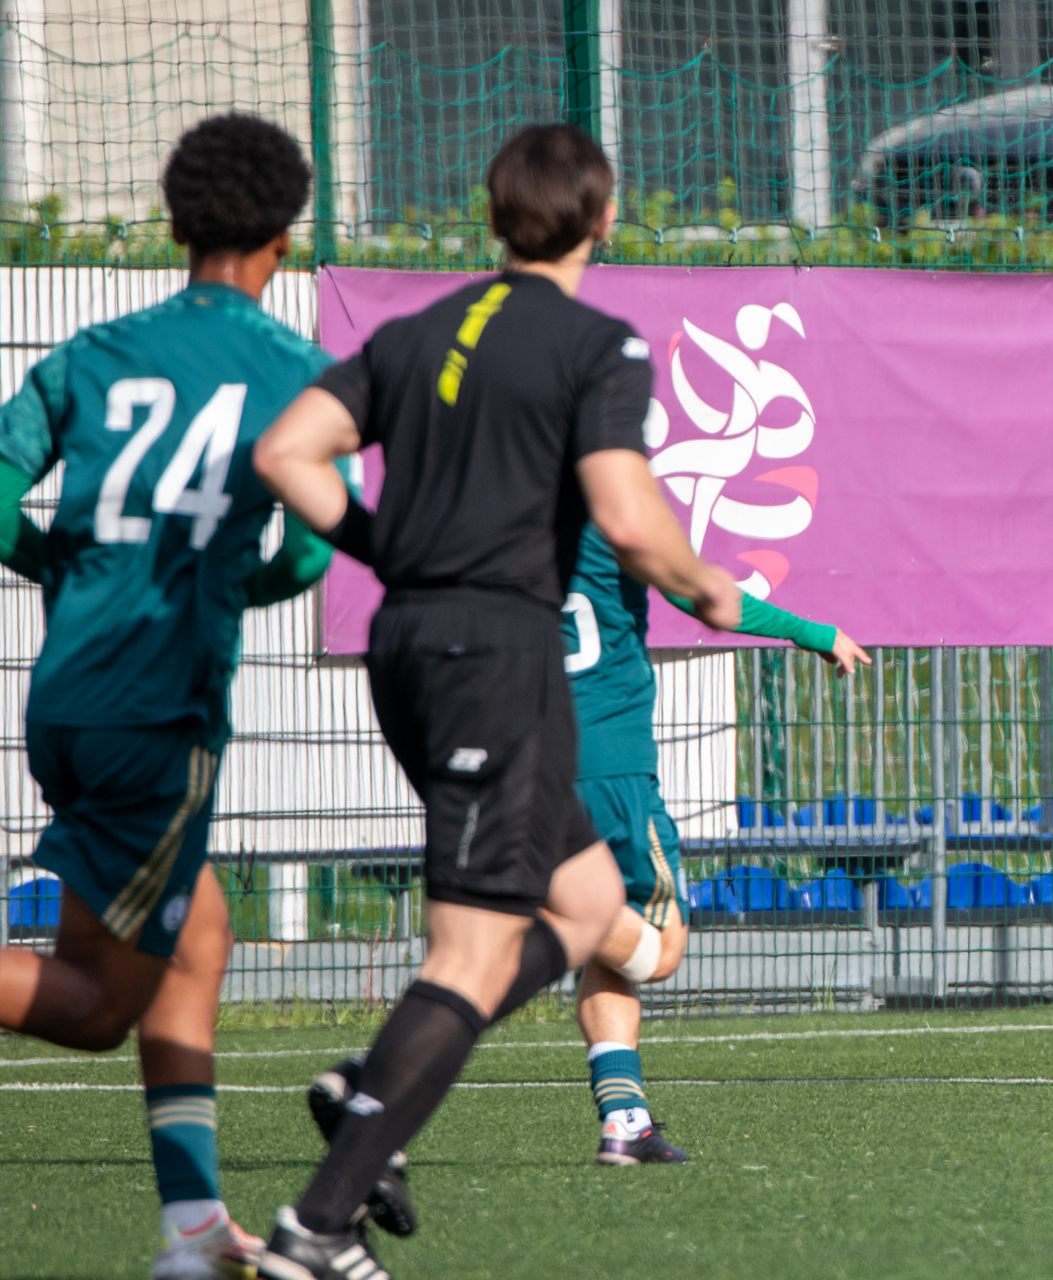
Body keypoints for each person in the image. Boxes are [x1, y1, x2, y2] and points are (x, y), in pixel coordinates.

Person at [250, 123, 739, 1280]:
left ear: (494, 216)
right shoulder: (597, 343)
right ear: (602, 218)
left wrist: (388, 546)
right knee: (475, 947)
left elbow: (287, 452)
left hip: (416, 644)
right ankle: (318, 1224)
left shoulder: (418, 331)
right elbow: (626, 514)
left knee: (585, 900)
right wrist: (703, 583)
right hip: (492, 655)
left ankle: (370, 1088)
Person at [0, 113, 336, 1277]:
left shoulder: (91, 352)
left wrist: (55, 562)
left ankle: (193, 1226)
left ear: (175, 222)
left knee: (197, 936)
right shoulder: (299, 375)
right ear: (285, 237)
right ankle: (191, 1230)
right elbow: (311, 552)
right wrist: (234, 582)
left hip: (67, 696)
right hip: (160, 710)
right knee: (99, 1007)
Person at [307, 531, 871, 1171]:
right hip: (609, 772)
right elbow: (703, 594)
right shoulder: (613, 517)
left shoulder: (507, 527)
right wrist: (812, 632)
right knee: (656, 947)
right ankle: (377, 1073)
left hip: (516, 760)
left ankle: (625, 1120)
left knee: (597, 941)